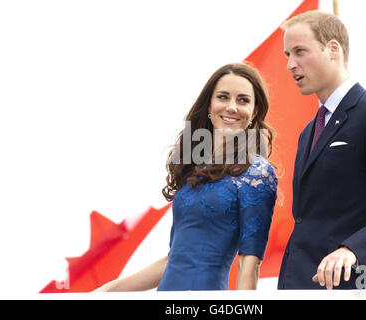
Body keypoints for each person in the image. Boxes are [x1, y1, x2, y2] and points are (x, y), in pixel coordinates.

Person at [95, 63, 278, 291]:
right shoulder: (195, 166)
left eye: (243, 100)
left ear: (255, 111)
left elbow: (249, 263)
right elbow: (175, 259)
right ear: (210, 106)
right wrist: (104, 291)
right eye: (223, 97)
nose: (232, 107)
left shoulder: (257, 173)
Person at [277, 10, 366, 290]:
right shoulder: (309, 131)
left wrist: (354, 250)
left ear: (333, 48)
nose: (290, 64)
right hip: (298, 284)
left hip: (354, 284)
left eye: (299, 51)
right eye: (287, 55)